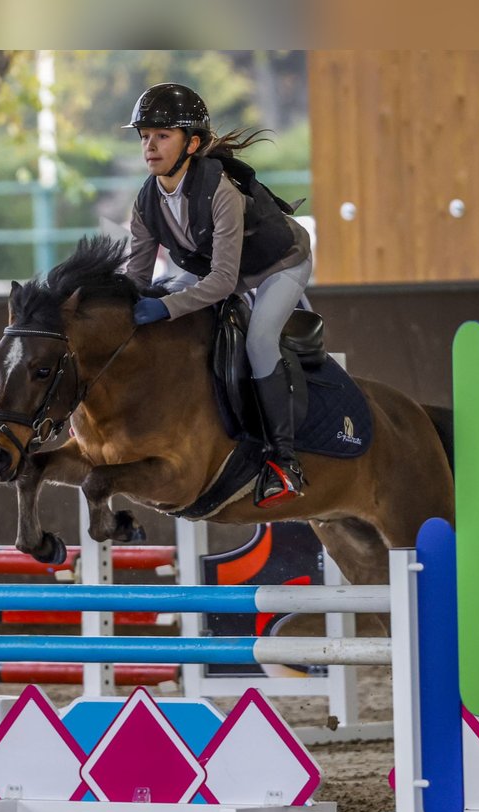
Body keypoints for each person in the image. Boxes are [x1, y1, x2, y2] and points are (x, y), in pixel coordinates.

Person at [123, 83, 313, 508]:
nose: (150, 147)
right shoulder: (144, 203)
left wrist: (165, 307)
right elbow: (135, 277)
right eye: (144, 137)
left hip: (280, 263)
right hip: (226, 271)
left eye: (162, 136)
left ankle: (285, 461)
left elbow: (224, 281)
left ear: (192, 143)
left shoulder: (221, 191)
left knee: (260, 339)